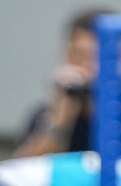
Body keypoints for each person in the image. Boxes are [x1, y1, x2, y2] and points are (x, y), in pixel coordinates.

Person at [14, 7, 114, 157]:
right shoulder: (46, 117)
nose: (87, 67)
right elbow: (22, 173)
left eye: (96, 57)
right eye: (78, 56)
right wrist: (60, 120)